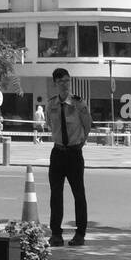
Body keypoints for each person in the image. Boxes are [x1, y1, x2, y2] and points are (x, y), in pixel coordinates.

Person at [45, 68, 92, 246]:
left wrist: (81, 142)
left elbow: (87, 126)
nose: (65, 84)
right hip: (57, 153)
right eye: (61, 81)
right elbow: (50, 125)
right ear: (55, 83)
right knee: (55, 194)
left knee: (78, 194)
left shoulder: (79, 104)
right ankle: (56, 233)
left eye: (67, 80)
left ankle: (80, 233)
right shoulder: (51, 105)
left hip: (74, 153)